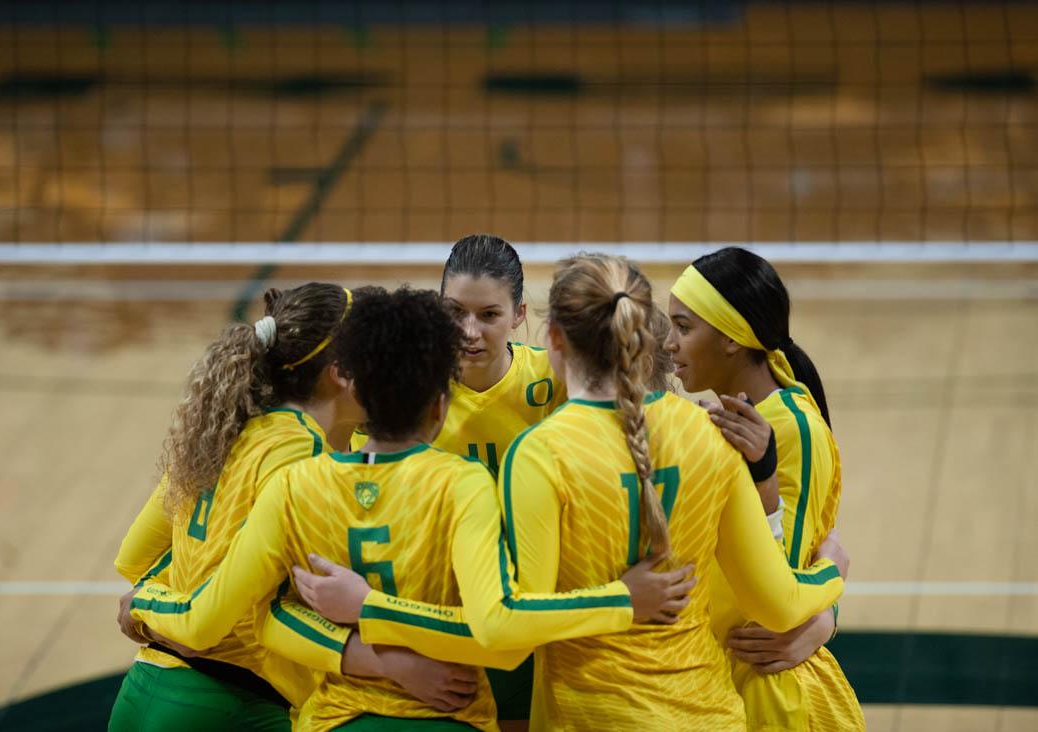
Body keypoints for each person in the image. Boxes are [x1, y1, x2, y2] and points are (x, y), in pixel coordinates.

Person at [305, 254, 848, 729]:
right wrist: (831, 574)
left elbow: (508, 631)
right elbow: (777, 605)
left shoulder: (541, 454)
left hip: (585, 715)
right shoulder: (712, 438)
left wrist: (373, 609)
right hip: (706, 714)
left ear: (554, 339)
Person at [123, 286, 687, 731]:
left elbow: (150, 564)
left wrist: (150, 603)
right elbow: (500, 628)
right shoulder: (443, 482)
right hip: (241, 703)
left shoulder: (234, 437)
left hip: (169, 689)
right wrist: (384, 650)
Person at [110, 284, 471, 730]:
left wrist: (157, 610)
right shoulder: (302, 459)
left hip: (147, 684)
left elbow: (134, 557)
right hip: (231, 703)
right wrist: (395, 665)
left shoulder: (222, 429)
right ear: (341, 372)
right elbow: (281, 611)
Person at [667, 247, 864, 730]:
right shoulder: (715, 420)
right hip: (713, 679)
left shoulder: (790, 429)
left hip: (764, 690)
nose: (667, 344)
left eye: (683, 327)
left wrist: (822, 614)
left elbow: (784, 584)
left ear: (732, 339)